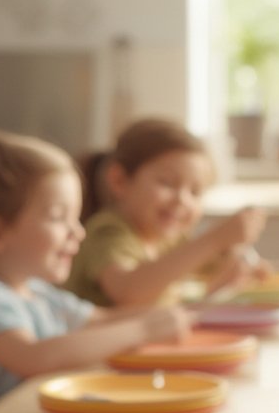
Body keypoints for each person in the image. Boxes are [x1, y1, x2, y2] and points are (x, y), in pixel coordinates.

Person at [0, 130, 194, 413]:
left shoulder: (38, 293)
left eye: (75, 218)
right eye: (58, 217)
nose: (78, 233)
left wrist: (176, 315)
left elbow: (101, 321)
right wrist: (143, 329)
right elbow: (33, 358)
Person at [68, 117, 266, 308]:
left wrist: (234, 260)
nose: (182, 200)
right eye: (167, 183)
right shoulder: (108, 233)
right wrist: (215, 239)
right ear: (119, 180)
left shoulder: (167, 240)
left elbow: (202, 268)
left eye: (195, 192)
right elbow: (129, 291)